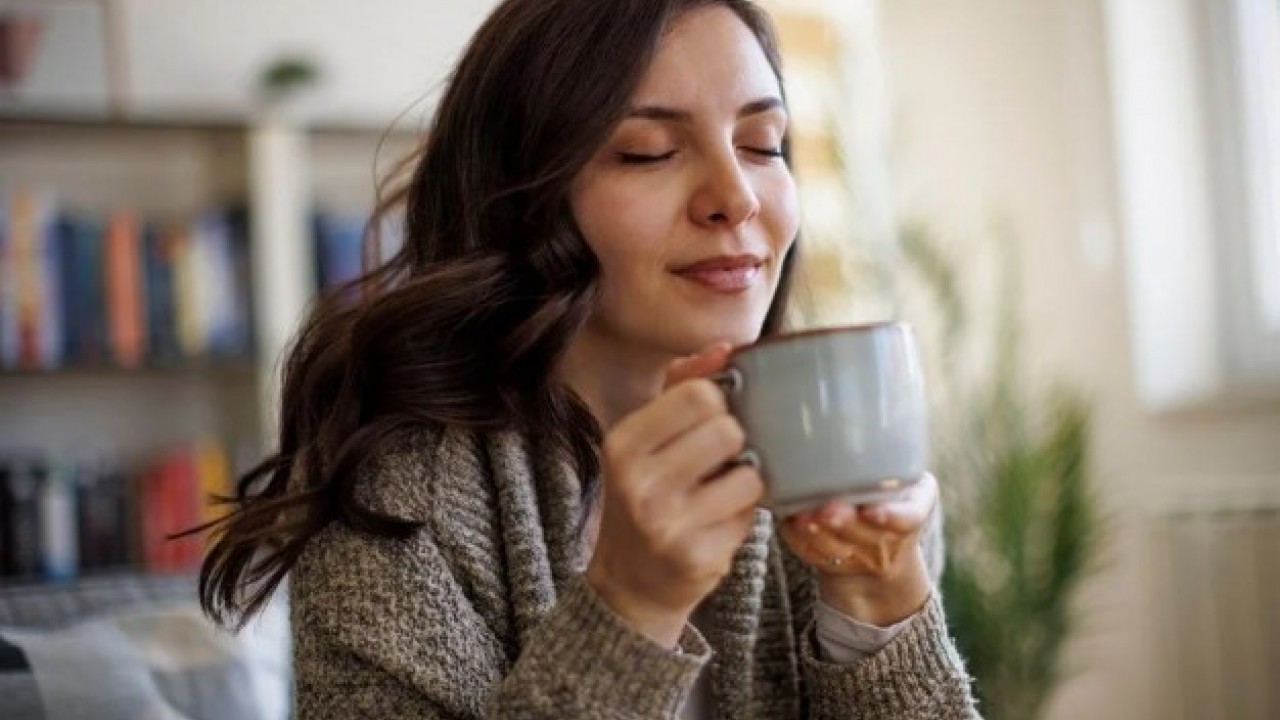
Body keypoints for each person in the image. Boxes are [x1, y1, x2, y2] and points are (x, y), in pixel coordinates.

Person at [198, 1, 982, 718]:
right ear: (523, 200)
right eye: (648, 152)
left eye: (761, 144)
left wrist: (880, 608)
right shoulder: (396, 503)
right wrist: (629, 608)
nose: (737, 196)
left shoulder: (836, 461)